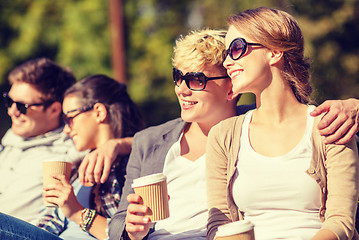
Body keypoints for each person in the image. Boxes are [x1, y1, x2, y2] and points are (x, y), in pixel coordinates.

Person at [206, 7, 359, 240]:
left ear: (275, 51)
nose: (227, 62)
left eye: (237, 49)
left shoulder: (330, 124)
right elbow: (219, 224)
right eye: (227, 53)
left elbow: (340, 222)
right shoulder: (223, 135)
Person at [108, 29, 240, 240]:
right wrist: (132, 228)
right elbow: (118, 221)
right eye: (178, 77)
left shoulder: (252, 131)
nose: (181, 89)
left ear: (231, 88)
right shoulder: (148, 142)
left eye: (196, 80)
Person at [38, 74, 144, 239]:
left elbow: (128, 235)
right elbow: (50, 222)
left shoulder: (131, 166)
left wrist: (77, 212)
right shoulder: (78, 164)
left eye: (69, 118)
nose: (66, 129)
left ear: (99, 112)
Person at [0, 57, 84, 224]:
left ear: (54, 109)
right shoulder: (9, 142)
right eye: (9, 101)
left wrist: (116, 145)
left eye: (22, 106)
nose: (12, 111)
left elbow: (141, 142)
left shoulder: (72, 147)